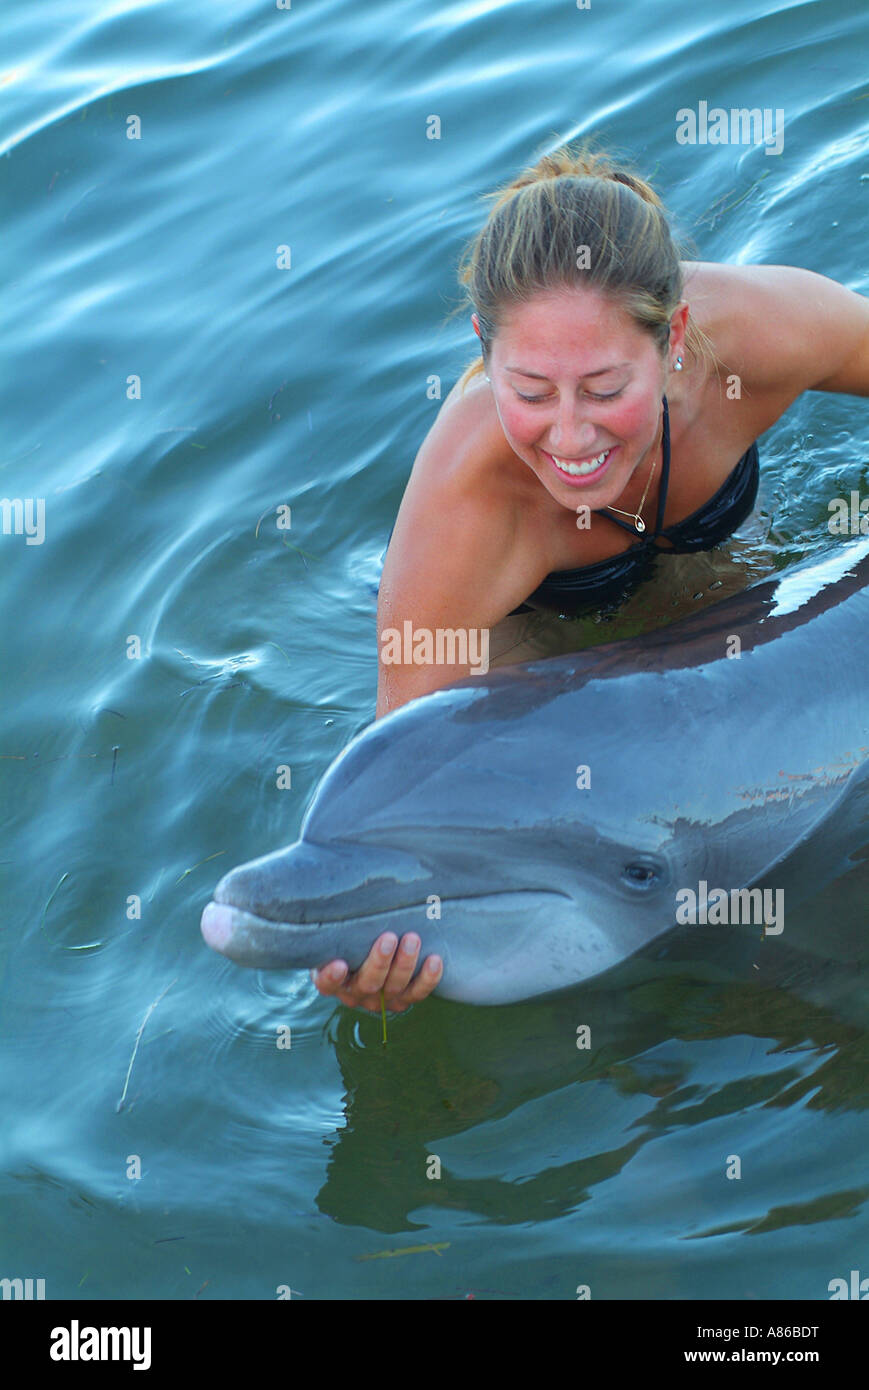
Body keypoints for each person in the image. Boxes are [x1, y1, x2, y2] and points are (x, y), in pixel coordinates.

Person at [313, 142, 869, 1014]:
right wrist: (386, 948)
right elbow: (407, 803)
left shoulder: (760, 334)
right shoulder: (463, 513)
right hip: (549, 672)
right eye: (530, 391)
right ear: (481, 350)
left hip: (727, 603)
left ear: (674, 339)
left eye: (604, 386)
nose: (569, 440)